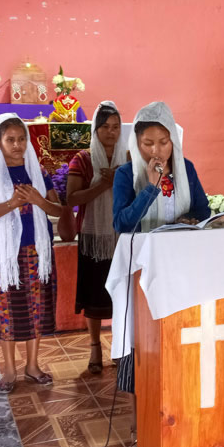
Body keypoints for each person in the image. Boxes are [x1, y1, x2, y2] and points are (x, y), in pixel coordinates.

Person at [110, 101, 210, 442]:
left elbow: (202, 209)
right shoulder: (127, 175)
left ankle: (176, 414)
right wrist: (150, 187)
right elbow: (122, 223)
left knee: (177, 341)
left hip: (180, 269)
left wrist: (192, 220)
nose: (157, 151)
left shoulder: (186, 170)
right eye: (148, 143)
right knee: (142, 345)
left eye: (164, 142)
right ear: (136, 143)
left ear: (174, 141)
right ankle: (139, 421)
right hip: (140, 274)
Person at [0, 113, 64, 393]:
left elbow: (59, 210)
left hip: (36, 251)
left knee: (36, 310)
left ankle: (32, 366)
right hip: (6, 256)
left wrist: (38, 200)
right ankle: (10, 371)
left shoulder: (38, 171)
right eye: (10, 139)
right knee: (7, 312)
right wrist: (12, 203)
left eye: (21, 139)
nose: (17, 145)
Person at [65, 101, 127, 374]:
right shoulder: (83, 159)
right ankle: (94, 347)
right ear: (95, 129)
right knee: (94, 294)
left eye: (115, 127)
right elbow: (72, 199)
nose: (111, 132)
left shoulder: (128, 157)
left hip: (121, 235)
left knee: (121, 294)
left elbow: (137, 192)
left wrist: (121, 179)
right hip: (93, 237)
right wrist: (104, 184)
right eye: (105, 127)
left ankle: (119, 346)